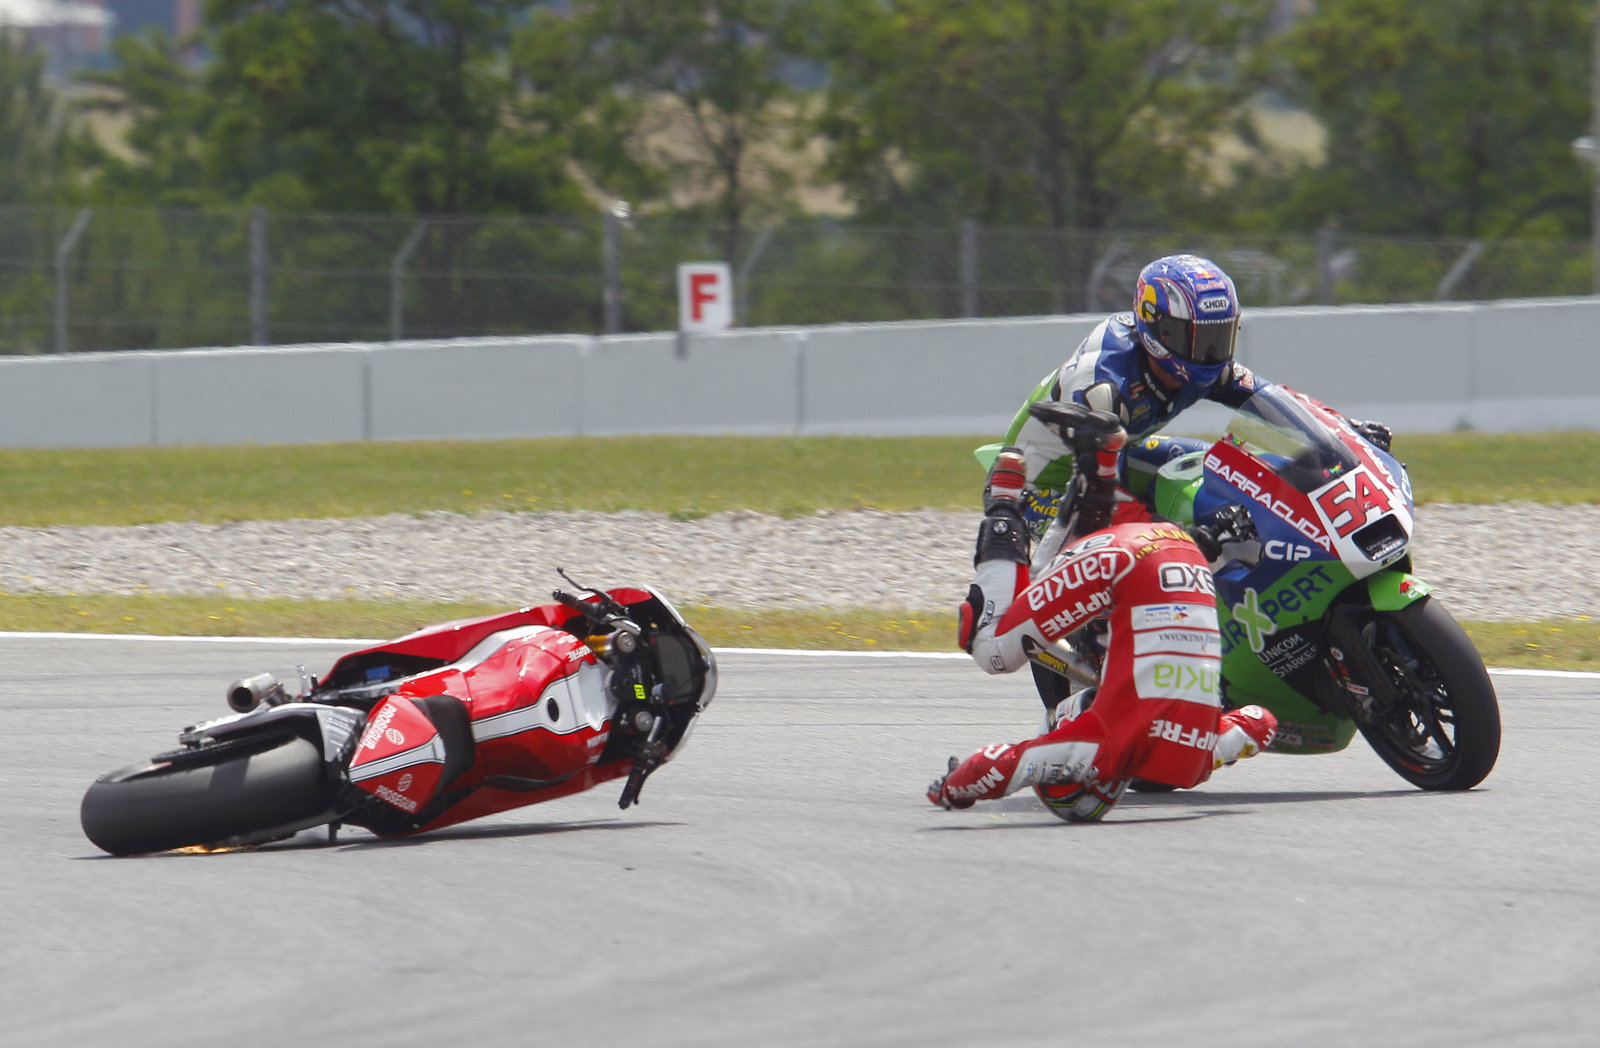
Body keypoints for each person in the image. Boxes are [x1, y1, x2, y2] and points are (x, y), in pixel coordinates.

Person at [934, 401, 1277, 821]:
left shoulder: (1197, 762)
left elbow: (1261, 722)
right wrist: (952, 790)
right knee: (992, 649)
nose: (1060, 727)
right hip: (1126, 561)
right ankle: (1006, 503)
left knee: (1099, 620)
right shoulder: (1098, 750)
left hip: (1184, 554)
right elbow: (999, 767)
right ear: (1089, 777)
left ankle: (1094, 474)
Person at [993, 253, 1393, 539]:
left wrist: (1340, 433)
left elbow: (1271, 400)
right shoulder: (1105, 386)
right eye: (1195, 338)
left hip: (1120, 452)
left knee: (1218, 471)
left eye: (1220, 337)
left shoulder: (1198, 363)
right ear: (1156, 329)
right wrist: (1180, 538)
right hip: (1043, 486)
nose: (1210, 354)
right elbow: (1101, 498)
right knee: (1147, 546)